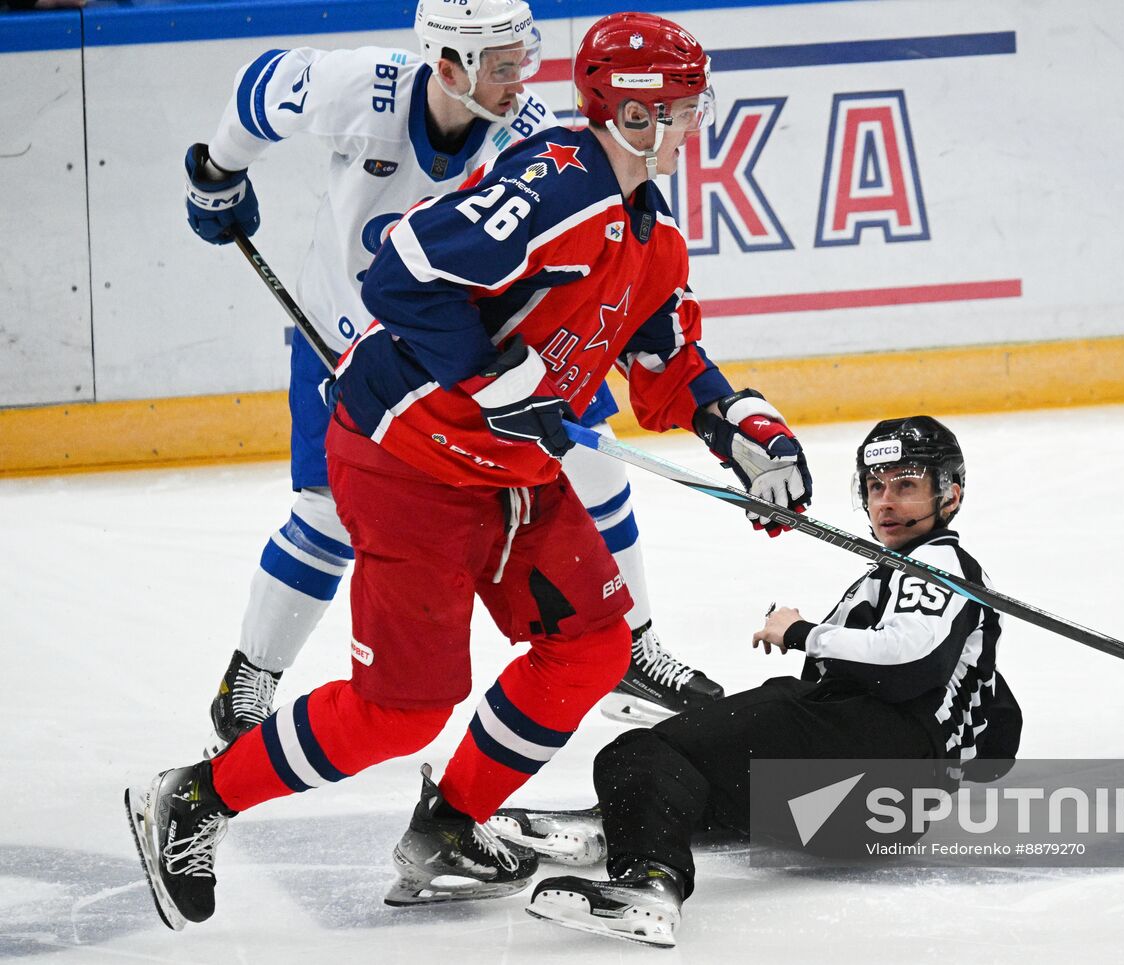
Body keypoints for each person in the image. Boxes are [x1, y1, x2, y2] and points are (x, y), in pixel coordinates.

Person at [125, 11, 812, 931]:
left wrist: (749, 434)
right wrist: (499, 375)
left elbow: (668, 363)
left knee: (595, 644)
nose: (697, 123)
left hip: (511, 468)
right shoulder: (556, 184)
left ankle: (446, 827)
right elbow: (400, 273)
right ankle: (197, 796)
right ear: (638, 116)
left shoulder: (650, 227)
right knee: (402, 710)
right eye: (683, 108)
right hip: (404, 457)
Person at [184, 0, 722, 758]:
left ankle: (631, 642)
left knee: (589, 451)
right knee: (329, 511)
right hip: (351, 333)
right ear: (447, 65)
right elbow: (258, 88)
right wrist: (219, 170)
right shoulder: (356, 88)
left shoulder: (530, 128)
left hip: (482, 341)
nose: (520, 79)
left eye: (522, 57)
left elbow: (618, 215)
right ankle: (253, 674)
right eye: (501, 65)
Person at [512, 416, 1022, 948]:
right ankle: (621, 821)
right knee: (698, 768)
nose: (886, 502)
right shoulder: (915, 582)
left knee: (637, 752)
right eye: (875, 486)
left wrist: (804, 632)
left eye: (906, 486)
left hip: (871, 764)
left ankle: (648, 883)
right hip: (873, 812)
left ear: (951, 494)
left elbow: (902, 664)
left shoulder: (938, 563)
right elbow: (999, 738)